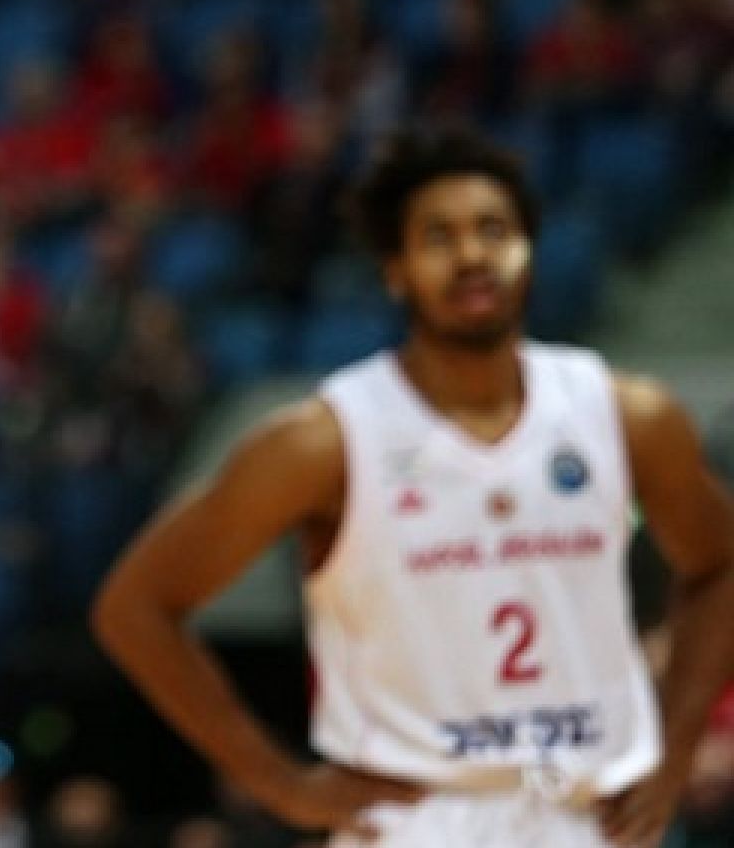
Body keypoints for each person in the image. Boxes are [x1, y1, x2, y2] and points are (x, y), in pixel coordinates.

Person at [95, 130, 734, 846]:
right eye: (439, 237)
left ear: (528, 251)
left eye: (492, 230)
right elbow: (136, 607)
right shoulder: (322, 442)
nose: (471, 255)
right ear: (394, 270)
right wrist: (279, 782)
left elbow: (719, 565)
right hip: (415, 818)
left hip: (590, 815)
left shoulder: (626, 416)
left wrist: (676, 749)